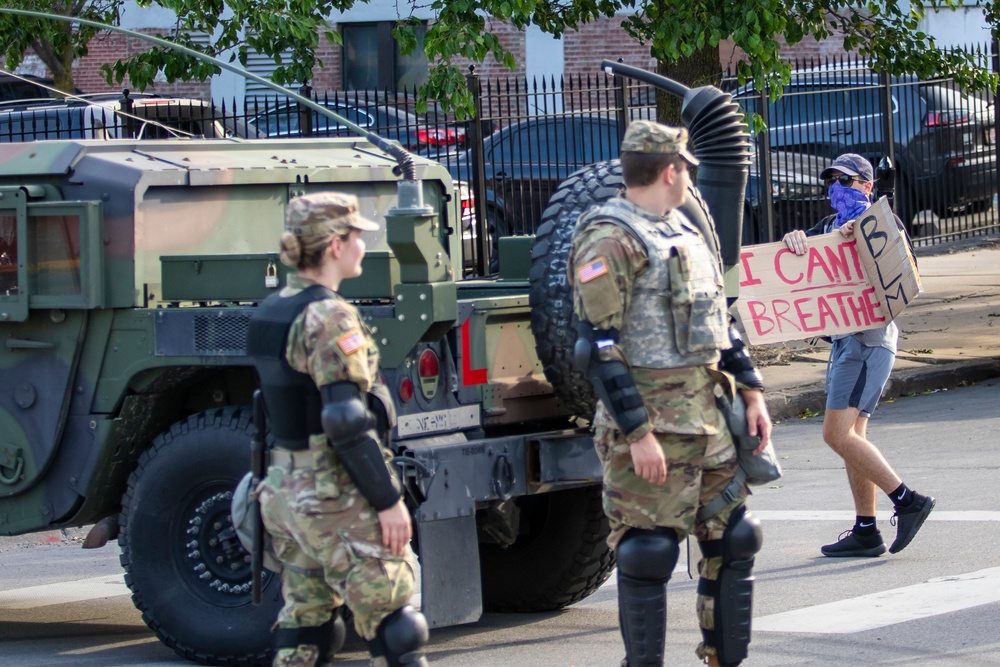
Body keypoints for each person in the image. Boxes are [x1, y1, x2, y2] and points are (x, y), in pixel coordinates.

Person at [569, 120, 772, 667]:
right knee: (648, 553)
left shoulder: (683, 230)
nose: (690, 179)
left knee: (734, 540)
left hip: (708, 419)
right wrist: (636, 433)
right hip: (652, 427)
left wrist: (751, 388)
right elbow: (598, 346)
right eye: (687, 169)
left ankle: (723, 658)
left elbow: (719, 320)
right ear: (669, 170)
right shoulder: (609, 237)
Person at [247, 192, 429, 667]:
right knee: (396, 623)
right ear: (333, 245)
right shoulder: (328, 316)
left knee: (306, 625)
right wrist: (388, 501)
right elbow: (345, 419)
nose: (363, 247)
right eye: (356, 237)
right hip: (332, 494)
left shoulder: (271, 309)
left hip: (284, 492)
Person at [782, 153, 935, 558]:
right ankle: (866, 530)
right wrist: (795, 239)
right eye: (832, 180)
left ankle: (908, 501)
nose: (838, 188)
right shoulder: (829, 228)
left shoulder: (882, 223)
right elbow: (801, 255)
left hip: (869, 343)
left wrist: (865, 242)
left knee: (835, 435)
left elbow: (908, 274)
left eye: (847, 181)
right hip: (844, 344)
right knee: (854, 437)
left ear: (867, 185)